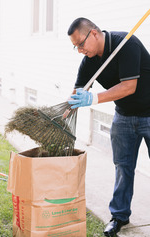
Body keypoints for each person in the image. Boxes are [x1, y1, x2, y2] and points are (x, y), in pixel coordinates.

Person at [67, 17, 150, 237]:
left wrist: (92, 99)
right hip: (123, 117)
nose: (79, 50)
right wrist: (66, 110)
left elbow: (128, 87)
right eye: (75, 47)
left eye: (81, 44)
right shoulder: (89, 60)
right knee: (123, 168)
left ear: (93, 33)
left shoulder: (126, 43)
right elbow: (78, 91)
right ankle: (119, 216)